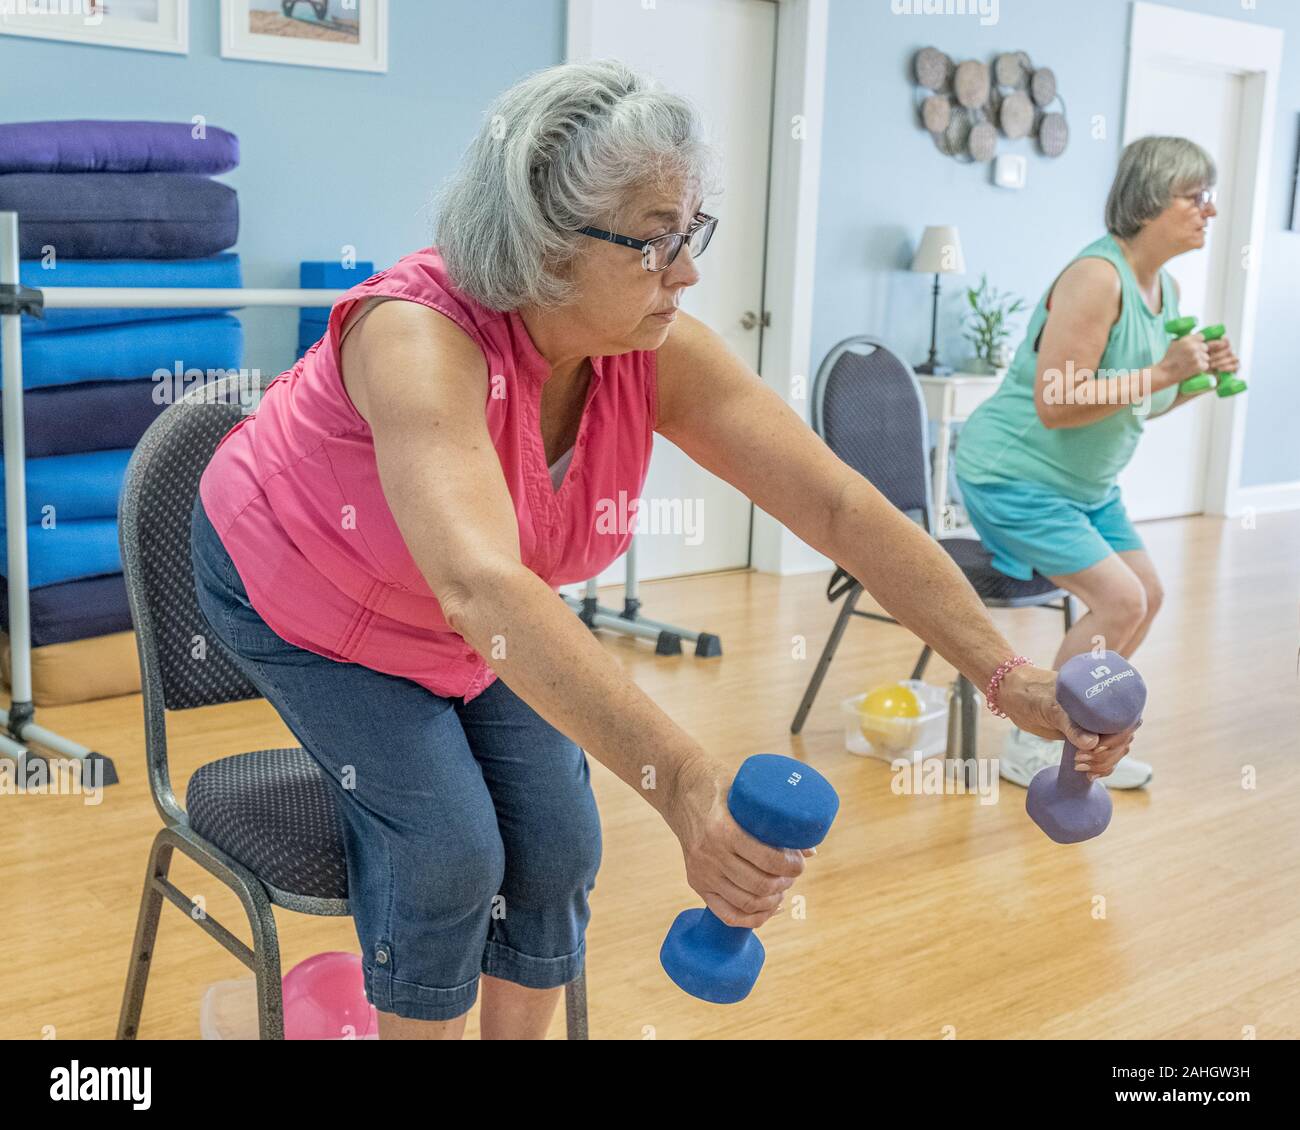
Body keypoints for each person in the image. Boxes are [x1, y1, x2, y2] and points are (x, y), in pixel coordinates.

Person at [190, 59, 1141, 1039]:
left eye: (690, 232)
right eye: (653, 242)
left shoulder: (650, 348)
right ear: (544, 242)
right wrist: (687, 787)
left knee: (559, 840)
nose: (686, 271)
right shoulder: (416, 339)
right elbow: (481, 585)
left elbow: (840, 507)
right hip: (304, 585)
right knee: (448, 850)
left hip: (474, 617)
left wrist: (1004, 674)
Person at [954, 136, 1238, 790]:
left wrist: (1189, 382)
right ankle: (1036, 739)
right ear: (1147, 203)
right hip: (1013, 475)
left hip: (1088, 488)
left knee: (1149, 597)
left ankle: (1088, 737)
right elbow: (1058, 402)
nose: (1209, 210)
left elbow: (1137, 400)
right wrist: (1164, 369)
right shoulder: (1096, 277)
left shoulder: (1160, 285)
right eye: (1194, 197)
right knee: (1121, 598)